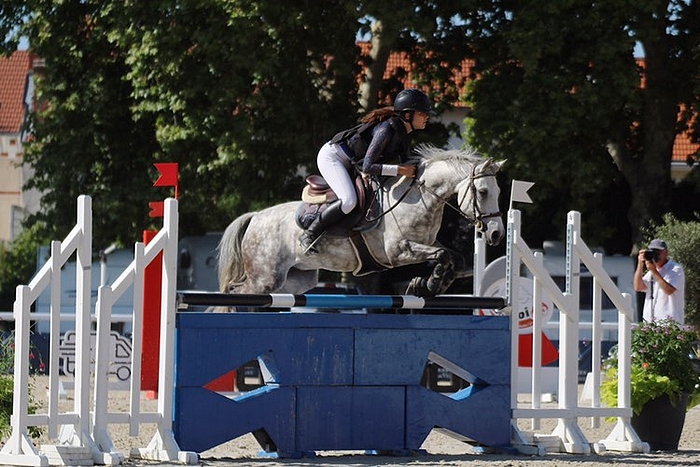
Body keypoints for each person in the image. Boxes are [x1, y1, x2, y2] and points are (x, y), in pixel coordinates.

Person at [299, 88, 433, 253]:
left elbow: (407, 162)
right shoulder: (386, 130)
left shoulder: (403, 132)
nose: (427, 117)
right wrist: (399, 170)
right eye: (422, 114)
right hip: (333, 157)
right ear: (407, 115)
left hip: (351, 161)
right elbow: (368, 167)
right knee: (349, 201)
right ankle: (310, 234)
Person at [634, 238, 685, 323]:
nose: (655, 255)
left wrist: (654, 271)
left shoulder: (675, 269)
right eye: (653, 252)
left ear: (666, 252)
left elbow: (669, 290)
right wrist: (640, 264)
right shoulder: (652, 271)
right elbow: (638, 287)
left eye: (658, 252)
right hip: (650, 322)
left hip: (670, 323)